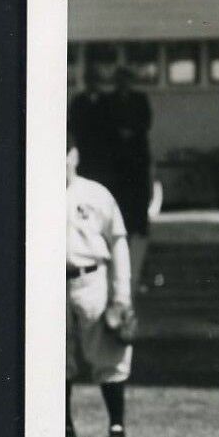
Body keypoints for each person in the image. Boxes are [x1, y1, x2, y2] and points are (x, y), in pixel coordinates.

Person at [66, 133, 134, 437]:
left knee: (108, 352)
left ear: (75, 155)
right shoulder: (31, 189)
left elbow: (118, 240)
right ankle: (64, 427)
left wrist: (122, 295)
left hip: (91, 278)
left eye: (64, 153)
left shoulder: (95, 193)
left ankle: (116, 425)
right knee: (53, 357)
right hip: (47, 283)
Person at [96, 66, 154, 282]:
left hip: (137, 157)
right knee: (120, 197)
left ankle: (139, 225)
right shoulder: (108, 101)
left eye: (126, 80)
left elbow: (146, 122)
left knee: (139, 195)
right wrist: (119, 132)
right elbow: (104, 125)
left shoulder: (140, 98)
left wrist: (132, 131)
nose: (123, 84)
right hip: (118, 159)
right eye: (120, 80)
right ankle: (123, 226)